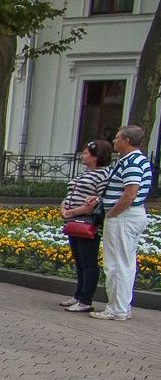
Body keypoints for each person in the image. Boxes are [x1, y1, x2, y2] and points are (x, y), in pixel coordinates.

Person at [90, 125, 153, 322]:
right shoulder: (135, 160)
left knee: (117, 264)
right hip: (129, 216)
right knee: (124, 263)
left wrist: (112, 212)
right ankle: (122, 305)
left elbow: (129, 193)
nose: (114, 141)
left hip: (124, 217)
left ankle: (116, 308)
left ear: (126, 140)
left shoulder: (132, 162)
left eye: (117, 138)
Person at [57, 140, 112, 314]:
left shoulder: (103, 174)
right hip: (73, 221)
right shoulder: (85, 173)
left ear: (96, 156)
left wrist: (72, 212)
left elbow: (96, 202)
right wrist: (63, 207)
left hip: (86, 222)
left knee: (88, 261)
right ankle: (78, 294)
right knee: (79, 259)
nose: (83, 155)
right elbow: (71, 193)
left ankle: (86, 299)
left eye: (86, 153)